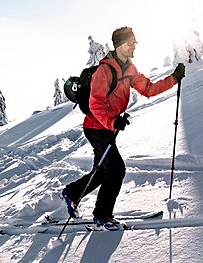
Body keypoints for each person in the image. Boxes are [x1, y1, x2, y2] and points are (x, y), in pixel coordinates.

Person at [62, 26, 186, 230]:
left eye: (134, 42)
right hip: (96, 127)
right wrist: (112, 121)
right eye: (130, 43)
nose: (134, 46)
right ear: (119, 45)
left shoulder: (130, 69)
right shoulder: (104, 71)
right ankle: (102, 216)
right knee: (116, 169)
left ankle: (72, 193)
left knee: (102, 171)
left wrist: (173, 78)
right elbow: (95, 104)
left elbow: (148, 89)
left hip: (109, 127)